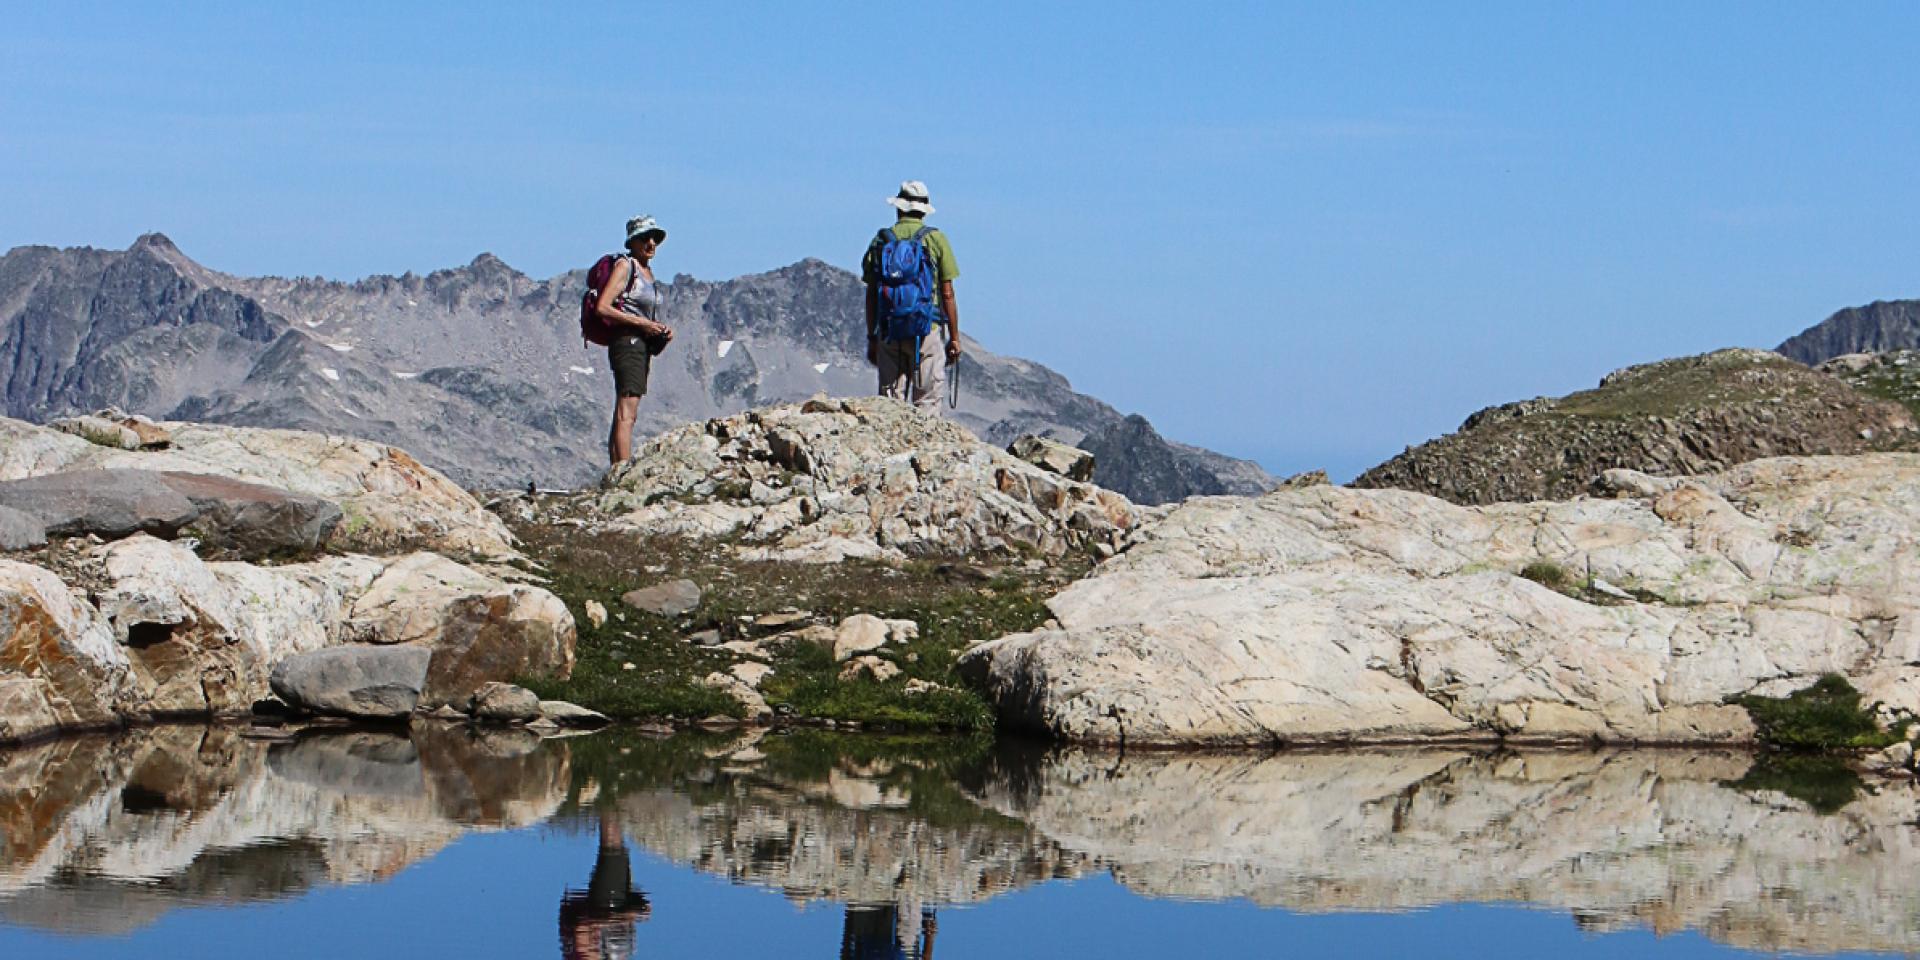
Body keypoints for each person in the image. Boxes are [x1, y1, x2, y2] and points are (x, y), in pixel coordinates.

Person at [863, 181, 961, 412]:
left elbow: (871, 294)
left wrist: (872, 337)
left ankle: (888, 445)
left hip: (890, 330)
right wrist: (954, 338)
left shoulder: (881, 241)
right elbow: (947, 293)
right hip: (927, 327)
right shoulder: (936, 240)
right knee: (927, 400)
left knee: (889, 404)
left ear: (899, 208)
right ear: (924, 211)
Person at [597, 215, 675, 463]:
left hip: (639, 344)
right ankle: (622, 470)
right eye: (644, 238)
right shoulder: (625, 266)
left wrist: (658, 330)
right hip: (627, 342)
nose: (651, 243)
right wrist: (643, 324)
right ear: (632, 242)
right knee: (627, 409)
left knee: (627, 407)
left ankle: (616, 469)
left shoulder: (647, 273)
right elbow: (603, 307)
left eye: (655, 238)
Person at [558, 811, 651, 960]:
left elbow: (579, 926)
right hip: (613, 909)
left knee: (612, 844)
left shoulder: (582, 956)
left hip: (598, 908)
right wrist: (630, 916)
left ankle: (610, 801)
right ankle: (614, 802)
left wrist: (613, 919)